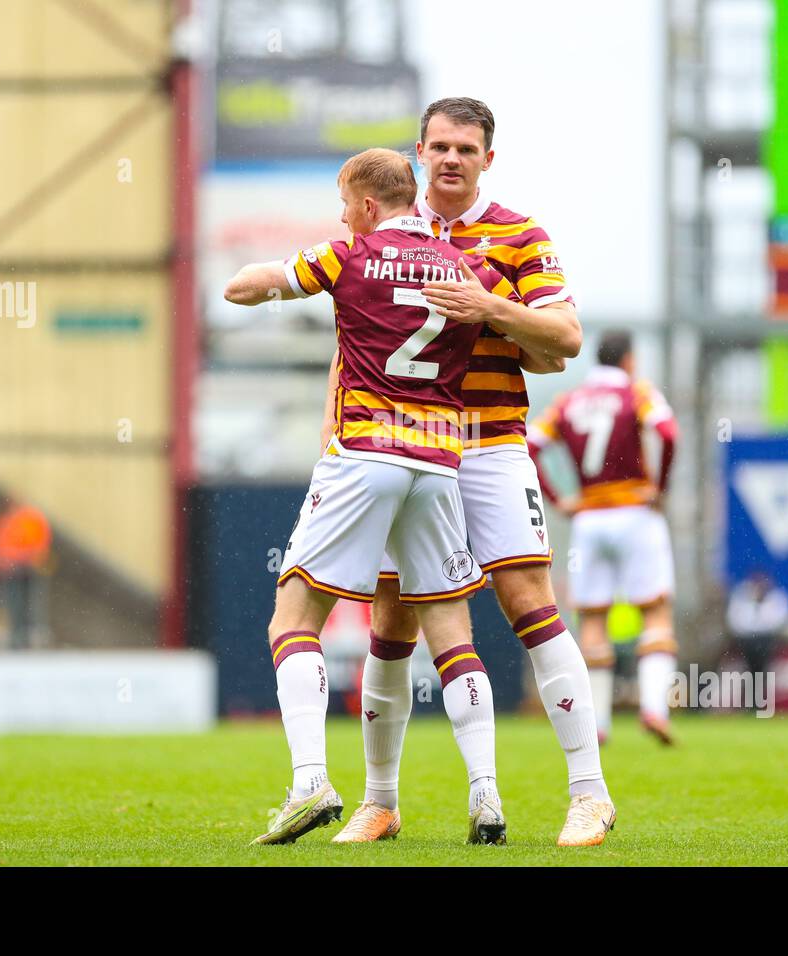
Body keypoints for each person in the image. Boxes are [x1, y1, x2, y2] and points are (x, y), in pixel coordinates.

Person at [322, 97, 615, 847]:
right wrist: (334, 435)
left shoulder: (518, 233)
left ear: (489, 159)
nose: (451, 159)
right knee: (391, 621)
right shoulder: (387, 231)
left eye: (466, 148)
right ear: (417, 155)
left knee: (527, 601)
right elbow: (348, 342)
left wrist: (489, 307)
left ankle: (590, 793)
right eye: (439, 147)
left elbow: (565, 338)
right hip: (400, 447)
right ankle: (380, 801)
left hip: (485, 443)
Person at [225, 147, 511, 846]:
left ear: (366, 204)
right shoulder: (463, 269)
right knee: (453, 635)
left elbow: (245, 287)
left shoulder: (348, 254)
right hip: (440, 462)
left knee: (293, 614)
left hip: (362, 454)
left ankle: (310, 781)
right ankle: (487, 795)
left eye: (343, 202)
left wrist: (262, 279)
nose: (341, 214)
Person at [528, 331, 681, 745]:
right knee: (656, 612)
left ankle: (598, 724)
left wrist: (559, 499)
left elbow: (531, 445)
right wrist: (660, 486)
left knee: (593, 619)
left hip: (589, 518)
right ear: (629, 360)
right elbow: (667, 433)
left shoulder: (568, 401)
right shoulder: (638, 393)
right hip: (635, 510)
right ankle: (654, 709)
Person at [0, 499, 52, 649]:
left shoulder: (27, 519)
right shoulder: (5, 520)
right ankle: (19, 635)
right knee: (16, 603)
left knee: (29, 602)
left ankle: (28, 634)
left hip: (26, 567)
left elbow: (40, 541)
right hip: (12, 568)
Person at [726, 569, 788, 699]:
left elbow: (775, 621)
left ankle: (759, 701)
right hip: (746, 642)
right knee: (748, 672)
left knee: (763, 672)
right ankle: (750, 701)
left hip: (766, 641)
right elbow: (736, 621)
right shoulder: (742, 596)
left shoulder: (775, 597)